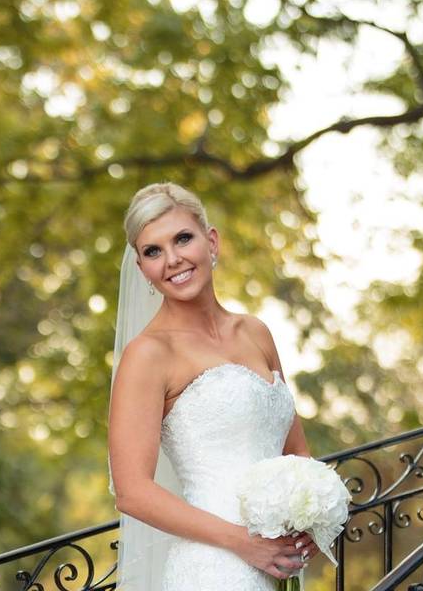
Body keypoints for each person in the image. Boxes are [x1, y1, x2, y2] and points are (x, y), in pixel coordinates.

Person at [107, 182, 315, 590]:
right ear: (141, 268)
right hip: (213, 567)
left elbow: (297, 453)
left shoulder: (256, 332)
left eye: (183, 238)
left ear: (212, 241)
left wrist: (308, 518)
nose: (172, 259)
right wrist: (245, 543)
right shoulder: (148, 355)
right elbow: (132, 492)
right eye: (153, 251)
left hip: (278, 564)